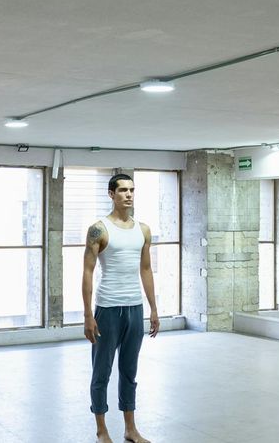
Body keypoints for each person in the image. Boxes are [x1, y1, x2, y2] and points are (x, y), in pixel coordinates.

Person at [82, 173, 159, 443]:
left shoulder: (143, 230)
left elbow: (146, 270)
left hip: (134, 308)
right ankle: (102, 431)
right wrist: (88, 315)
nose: (129, 194)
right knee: (101, 372)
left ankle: (130, 429)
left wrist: (153, 308)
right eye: (123, 190)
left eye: (132, 190)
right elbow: (88, 272)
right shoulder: (99, 229)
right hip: (108, 309)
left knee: (129, 372)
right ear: (111, 194)